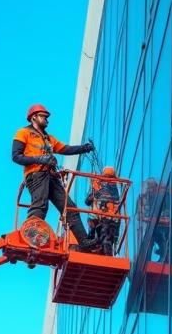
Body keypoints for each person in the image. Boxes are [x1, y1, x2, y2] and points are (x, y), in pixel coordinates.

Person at [11, 103, 95, 250]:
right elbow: (16, 157)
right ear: (33, 118)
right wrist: (40, 159)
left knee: (69, 208)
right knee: (40, 205)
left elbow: (66, 149)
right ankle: (31, 235)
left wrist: (84, 148)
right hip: (36, 175)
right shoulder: (23, 133)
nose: (47, 120)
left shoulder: (48, 138)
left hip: (51, 176)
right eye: (44, 117)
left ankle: (84, 242)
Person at [83, 166, 121, 255]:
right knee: (96, 236)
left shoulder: (114, 188)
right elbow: (87, 201)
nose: (107, 179)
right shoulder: (98, 186)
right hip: (96, 217)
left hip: (109, 219)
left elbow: (112, 201)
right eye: (106, 176)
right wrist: (95, 192)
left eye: (110, 177)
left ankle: (106, 255)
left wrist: (98, 190)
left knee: (106, 238)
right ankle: (96, 248)